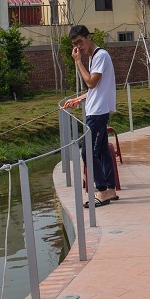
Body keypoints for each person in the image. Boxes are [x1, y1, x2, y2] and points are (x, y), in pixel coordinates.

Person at [63, 25, 118, 207]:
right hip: (97, 110)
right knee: (101, 151)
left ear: (88, 37)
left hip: (97, 113)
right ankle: (110, 190)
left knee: (87, 153)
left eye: (80, 42)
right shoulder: (95, 57)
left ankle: (101, 192)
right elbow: (95, 89)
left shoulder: (100, 55)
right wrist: (79, 99)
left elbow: (91, 83)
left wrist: (77, 62)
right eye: (74, 45)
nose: (78, 47)